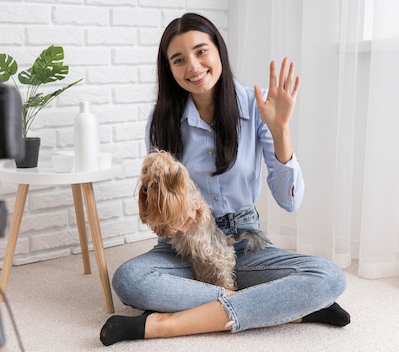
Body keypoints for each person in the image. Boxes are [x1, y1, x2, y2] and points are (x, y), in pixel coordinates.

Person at [99, 12, 350, 346]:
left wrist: (281, 131)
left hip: (244, 243)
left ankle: (162, 325)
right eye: (179, 59)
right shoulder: (161, 120)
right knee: (130, 279)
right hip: (182, 250)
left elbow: (289, 202)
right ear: (169, 69)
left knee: (328, 277)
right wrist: (176, 221)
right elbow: (160, 205)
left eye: (201, 51)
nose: (193, 66)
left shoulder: (255, 105)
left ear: (219, 50)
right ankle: (289, 310)